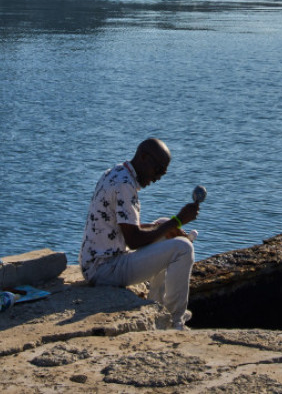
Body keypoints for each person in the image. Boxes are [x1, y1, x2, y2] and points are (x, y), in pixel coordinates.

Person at [79, 137, 199, 329]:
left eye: (164, 172)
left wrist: (165, 226)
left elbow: (126, 228)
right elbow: (134, 241)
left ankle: (158, 303)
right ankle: (175, 321)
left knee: (161, 225)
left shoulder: (116, 172)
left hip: (95, 264)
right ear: (143, 157)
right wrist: (177, 220)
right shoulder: (125, 186)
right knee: (183, 248)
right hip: (105, 269)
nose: (159, 176)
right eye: (158, 169)